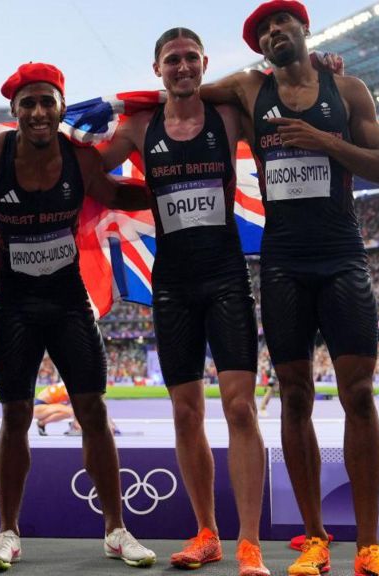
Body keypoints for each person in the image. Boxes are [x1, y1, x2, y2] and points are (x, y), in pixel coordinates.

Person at [202, 2, 379, 575]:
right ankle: (314, 538)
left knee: (358, 393)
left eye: (281, 23)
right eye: (263, 31)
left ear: (302, 29)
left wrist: (324, 140)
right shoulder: (247, 88)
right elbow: (184, 90)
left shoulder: (348, 89)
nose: (272, 33)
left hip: (342, 255)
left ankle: (368, 547)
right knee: (294, 397)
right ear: (261, 47)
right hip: (283, 261)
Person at [0, 62, 156, 571]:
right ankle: (8, 534)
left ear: (59, 108)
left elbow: (115, 196)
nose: (37, 112)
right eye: (27, 103)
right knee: (15, 416)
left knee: (93, 410)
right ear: (14, 111)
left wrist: (166, 188)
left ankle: (116, 530)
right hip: (15, 306)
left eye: (46, 102)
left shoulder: (79, 156)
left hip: (69, 301)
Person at [99, 28, 269, 575]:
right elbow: (88, 172)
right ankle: (207, 533)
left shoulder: (228, 117)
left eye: (191, 59)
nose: (182, 67)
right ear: (157, 70)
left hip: (225, 275)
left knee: (240, 407)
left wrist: (327, 69)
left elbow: (284, 91)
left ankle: (249, 543)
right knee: (185, 410)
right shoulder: (138, 127)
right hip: (171, 282)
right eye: (172, 60)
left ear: (204, 64)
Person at [34, 381, 120, 436]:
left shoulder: (69, 386)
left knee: (67, 412)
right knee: (71, 411)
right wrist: (78, 425)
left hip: (42, 408)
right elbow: (77, 407)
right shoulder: (68, 388)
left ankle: (42, 423)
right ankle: (74, 426)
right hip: (39, 407)